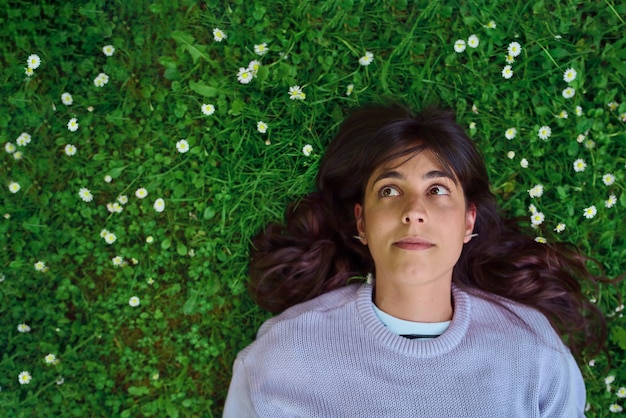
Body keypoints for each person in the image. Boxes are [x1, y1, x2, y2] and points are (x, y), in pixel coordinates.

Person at [223, 103, 606, 417]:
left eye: (437, 189)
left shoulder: (532, 350)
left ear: (468, 221)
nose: (414, 212)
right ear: (362, 222)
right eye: (390, 190)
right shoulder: (283, 356)